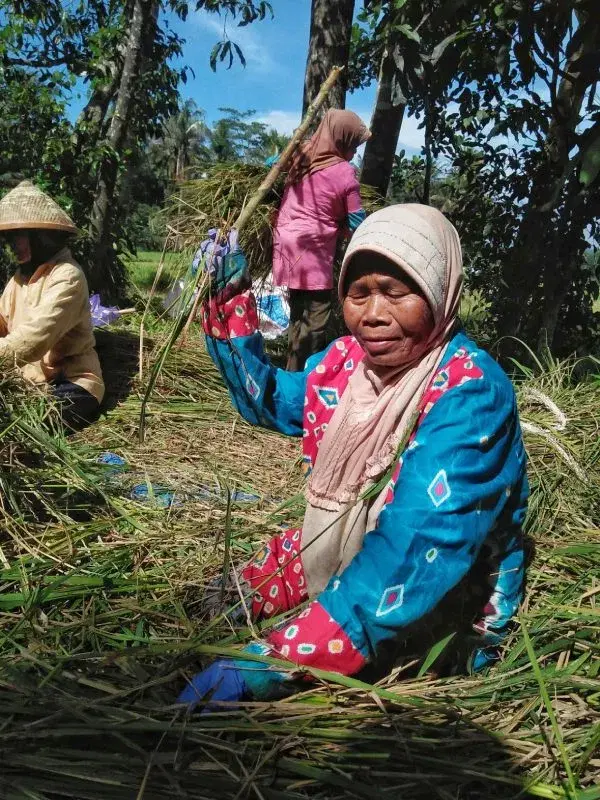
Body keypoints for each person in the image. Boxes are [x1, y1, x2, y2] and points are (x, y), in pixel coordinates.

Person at [179, 205, 529, 709]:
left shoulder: (471, 393)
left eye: (396, 292)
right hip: (354, 542)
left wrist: (280, 659)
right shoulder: (347, 363)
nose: (373, 314)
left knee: (412, 660)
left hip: (442, 587)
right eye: (357, 293)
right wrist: (226, 299)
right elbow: (271, 399)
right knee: (232, 593)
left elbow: (415, 549)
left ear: (439, 291)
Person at [0, 181, 104, 432]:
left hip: (70, 382)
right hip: (30, 378)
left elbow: (34, 339)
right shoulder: (19, 278)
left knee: (20, 428)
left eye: (19, 237)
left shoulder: (67, 276)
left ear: (41, 237)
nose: (13, 245)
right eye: (10, 238)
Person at [273, 109, 371, 371]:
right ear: (342, 140)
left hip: (285, 244)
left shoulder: (301, 153)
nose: (353, 152)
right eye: (353, 145)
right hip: (312, 251)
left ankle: (292, 364)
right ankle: (303, 378)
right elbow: (356, 221)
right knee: (317, 320)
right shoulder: (344, 173)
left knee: (299, 312)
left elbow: (274, 162)